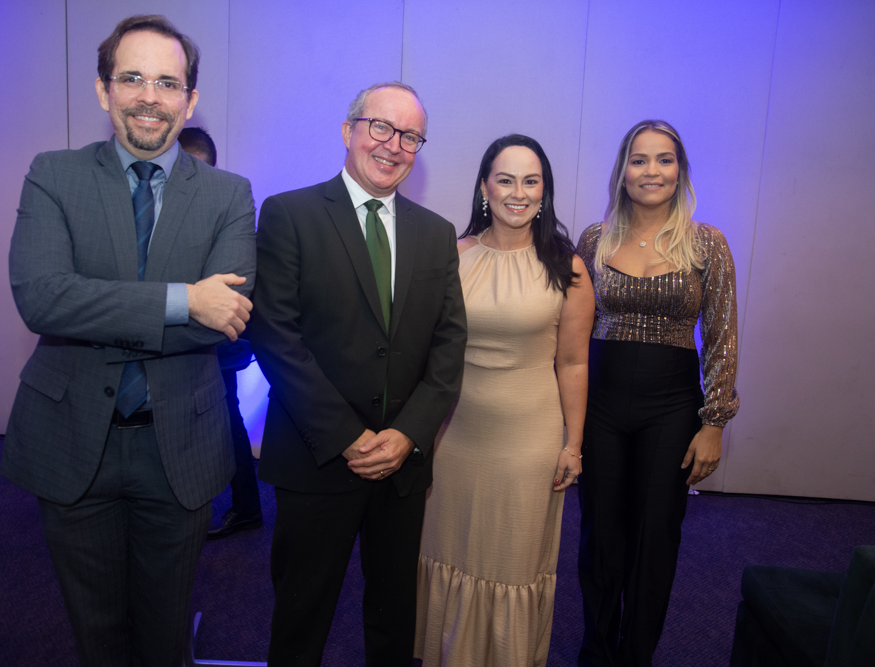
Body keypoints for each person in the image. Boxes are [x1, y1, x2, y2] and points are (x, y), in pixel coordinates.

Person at [3, 15, 256, 666]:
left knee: (165, 633)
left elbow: (222, 318)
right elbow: (41, 298)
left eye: (167, 82)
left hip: (179, 445)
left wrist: (94, 308)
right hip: (70, 437)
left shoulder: (230, 195)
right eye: (133, 78)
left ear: (189, 99)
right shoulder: (53, 176)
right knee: (98, 635)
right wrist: (183, 299)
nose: (150, 95)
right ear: (103, 90)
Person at [247, 82, 467, 666]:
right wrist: (348, 437)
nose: (394, 146)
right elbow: (275, 335)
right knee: (300, 617)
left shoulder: (436, 233)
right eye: (381, 128)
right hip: (316, 457)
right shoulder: (289, 214)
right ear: (349, 131)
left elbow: (449, 346)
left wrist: (408, 433)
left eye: (411, 136)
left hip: (402, 464)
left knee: (395, 622)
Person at [414, 135, 595, 666]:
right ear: (484, 187)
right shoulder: (454, 257)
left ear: (545, 192)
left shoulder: (569, 269)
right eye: (506, 179)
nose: (518, 193)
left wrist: (574, 444)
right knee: (447, 549)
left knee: (511, 562)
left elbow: (574, 363)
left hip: (528, 440)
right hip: (454, 436)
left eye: (531, 180)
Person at [575, 120, 739, 666]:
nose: (652, 171)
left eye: (664, 160)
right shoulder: (595, 241)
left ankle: (636, 655)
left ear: (680, 171)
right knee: (599, 535)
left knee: (655, 538)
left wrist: (714, 422)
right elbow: (570, 335)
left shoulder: (707, 244)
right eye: (639, 160)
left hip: (671, 409)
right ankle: (596, 652)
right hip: (599, 405)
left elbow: (722, 336)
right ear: (623, 173)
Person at [178, 126, 263, 539]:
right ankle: (243, 505)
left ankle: (246, 506)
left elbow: (230, 288)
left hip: (216, 346)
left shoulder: (224, 208)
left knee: (226, 424)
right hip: (198, 345)